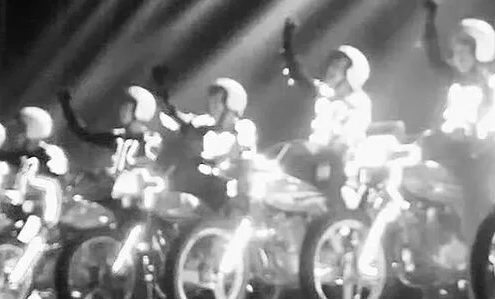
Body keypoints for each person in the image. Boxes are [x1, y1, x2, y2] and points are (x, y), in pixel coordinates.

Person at [420, 0, 495, 261]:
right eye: (455, 53)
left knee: (476, 195)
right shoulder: (453, 80)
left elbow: (491, 121)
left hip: (480, 155)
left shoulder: (494, 85)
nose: (458, 59)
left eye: (464, 53)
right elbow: (433, 56)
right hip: (452, 150)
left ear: (478, 54)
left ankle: (476, 250)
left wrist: (474, 135)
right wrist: (429, 20)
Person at [280, 18, 372, 203]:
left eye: (338, 67)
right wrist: (287, 43)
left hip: (345, 173)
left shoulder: (359, 102)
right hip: (315, 162)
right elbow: (299, 76)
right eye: (332, 65)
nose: (331, 69)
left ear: (352, 74)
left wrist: (319, 154)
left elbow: (344, 143)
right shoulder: (326, 94)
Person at [156, 76, 258, 211]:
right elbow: (185, 122)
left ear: (232, 104)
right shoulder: (205, 124)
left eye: (217, 102)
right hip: (200, 191)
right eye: (211, 102)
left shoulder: (243, 128)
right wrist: (169, 109)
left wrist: (241, 195)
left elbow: (246, 166)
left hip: (227, 196)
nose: (212, 107)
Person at [0, 107, 69, 227]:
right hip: (11, 213)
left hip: (37, 218)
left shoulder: (50, 155)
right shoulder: (17, 154)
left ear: (32, 130)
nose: (13, 132)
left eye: (19, 128)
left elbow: (55, 184)